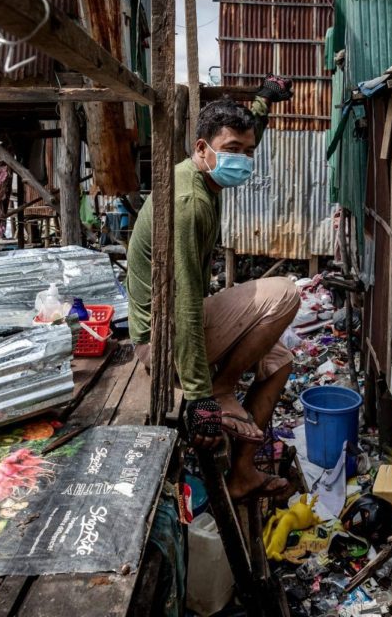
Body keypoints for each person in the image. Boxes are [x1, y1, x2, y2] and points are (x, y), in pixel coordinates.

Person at [127, 75, 299, 500]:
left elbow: (246, 131)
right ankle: (223, 389)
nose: (241, 159)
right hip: (162, 338)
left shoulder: (206, 176)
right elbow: (183, 302)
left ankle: (242, 474)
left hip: (180, 320)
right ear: (201, 149)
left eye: (248, 153)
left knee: (279, 361)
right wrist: (203, 397)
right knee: (285, 293)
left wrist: (262, 104)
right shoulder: (188, 202)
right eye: (231, 151)